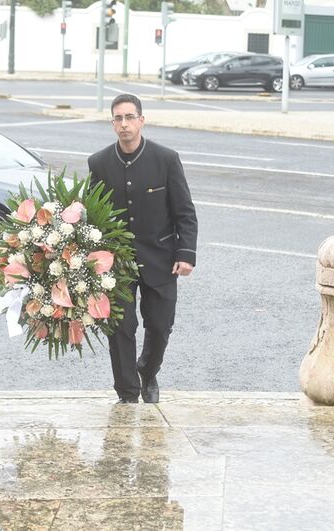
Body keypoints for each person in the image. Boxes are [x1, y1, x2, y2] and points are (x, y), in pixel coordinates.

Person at [88, 94, 198, 404]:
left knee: (161, 326)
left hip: (161, 257)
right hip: (116, 261)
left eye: (129, 117)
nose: (124, 124)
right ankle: (127, 393)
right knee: (120, 327)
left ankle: (148, 372)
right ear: (112, 123)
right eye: (118, 118)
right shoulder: (99, 163)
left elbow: (185, 212)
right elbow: (93, 213)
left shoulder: (166, 159)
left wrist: (185, 253)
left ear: (141, 121)